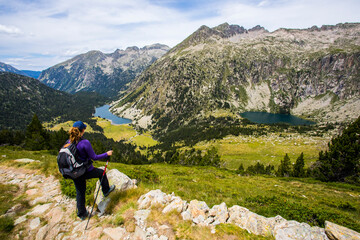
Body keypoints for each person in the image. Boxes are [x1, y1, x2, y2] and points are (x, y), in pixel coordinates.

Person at [68, 121, 115, 220]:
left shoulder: (69, 142)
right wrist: (107, 154)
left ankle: (81, 214)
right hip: (84, 170)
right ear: (82, 130)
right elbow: (94, 157)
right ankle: (106, 190)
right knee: (101, 173)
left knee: (80, 192)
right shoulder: (85, 143)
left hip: (74, 172)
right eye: (84, 128)